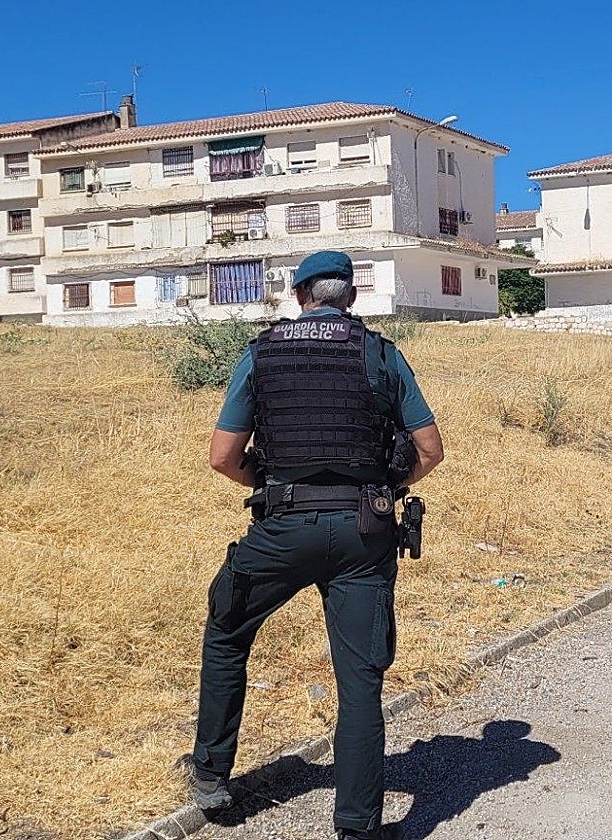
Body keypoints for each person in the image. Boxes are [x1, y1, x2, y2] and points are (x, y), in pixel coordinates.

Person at [190, 251, 444, 840]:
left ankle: (209, 774)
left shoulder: (262, 354)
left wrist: (272, 487)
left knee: (227, 630)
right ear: (349, 297)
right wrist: (382, 487)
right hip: (364, 531)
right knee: (360, 682)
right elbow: (430, 450)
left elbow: (223, 457)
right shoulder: (381, 354)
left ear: (297, 293)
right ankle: (356, 828)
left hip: (281, 530)